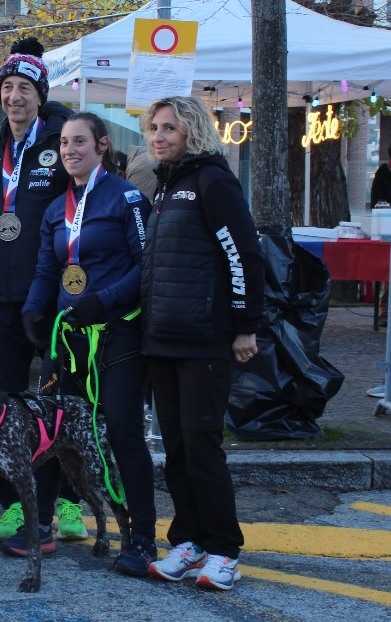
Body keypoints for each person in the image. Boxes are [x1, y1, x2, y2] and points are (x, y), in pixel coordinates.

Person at [14, 112, 157, 576]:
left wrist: (104, 301)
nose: (70, 150)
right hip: (68, 338)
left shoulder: (128, 198)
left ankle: (142, 538)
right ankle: (39, 526)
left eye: (80, 142)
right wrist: (33, 311)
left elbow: (145, 267)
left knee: (122, 432)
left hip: (117, 335)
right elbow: (47, 270)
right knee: (50, 429)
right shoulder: (57, 208)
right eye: (63, 145)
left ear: (101, 145)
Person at [140, 96, 265, 591]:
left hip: (205, 341)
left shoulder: (214, 181)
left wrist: (245, 326)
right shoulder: (165, 187)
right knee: (174, 449)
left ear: (192, 130)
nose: (159, 136)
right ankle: (188, 541)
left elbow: (244, 256)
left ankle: (223, 550)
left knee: (202, 447)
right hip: (163, 341)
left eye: (169, 127)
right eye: (154, 128)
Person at [0, 37, 85, 549]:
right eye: (8, 87)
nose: (15, 96)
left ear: (41, 95)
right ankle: (16, 507)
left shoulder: (61, 142)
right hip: (0, 303)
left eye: (25, 88)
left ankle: (61, 501)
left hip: (46, 302)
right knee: (7, 407)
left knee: (54, 407)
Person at [370, 145, 391, 323]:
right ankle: (384, 310)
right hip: (386, 226)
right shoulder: (382, 174)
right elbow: (377, 202)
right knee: (387, 269)